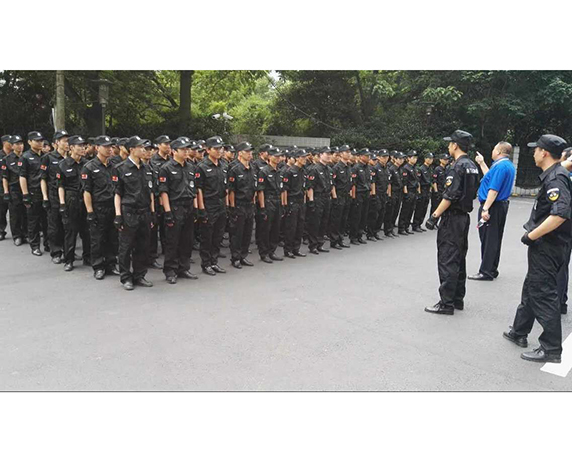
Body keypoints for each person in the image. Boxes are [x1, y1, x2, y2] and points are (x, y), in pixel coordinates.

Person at [504, 134, 571, 363]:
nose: (533, 153)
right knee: (532, 286)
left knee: (543, 293)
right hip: (548, 244)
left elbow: (560, 214)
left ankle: (551, 349)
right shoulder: (556, 174)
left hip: (548, 245)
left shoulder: (556, 178)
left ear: (544, 152)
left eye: (536, 149)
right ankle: (519, 331)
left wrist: (532, 235)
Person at [425, 130, 479, 315]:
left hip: (452, 218)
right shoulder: (472, 166)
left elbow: (450, 195)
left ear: (455, 145)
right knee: (459, 258)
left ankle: (446, 303)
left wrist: (434, 216)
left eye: (450, 143)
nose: (448, 146)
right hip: (463, 217)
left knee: (447, 258)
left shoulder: (456, 166)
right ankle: (457, 299)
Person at [468, 142, 516, 281]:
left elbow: (493, 190)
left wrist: (485, 208)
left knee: (489, 239)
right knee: (494, 238)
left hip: (493, 206)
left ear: (499, 151)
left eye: (494, 148)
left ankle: (486, 271)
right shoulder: (505, 165)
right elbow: (490, 178)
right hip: (499, 205)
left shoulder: (500, 167)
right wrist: (482, 163)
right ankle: (492, 268)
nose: (492, 150)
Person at [113, 136, 156, 290]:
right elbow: (117, 194)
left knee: (143, 246)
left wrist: (153, 213)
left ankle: (139, 275)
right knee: (126, 246)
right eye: (140, 147)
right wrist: (118, 215)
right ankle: (126, 277)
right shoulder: (121, 168)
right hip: (129, 212)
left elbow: (151, 192)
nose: (144, 150)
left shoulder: (147, 169)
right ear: (132, 149)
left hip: (145, 212)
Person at [158, 137, 199, 284]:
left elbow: (194, 189)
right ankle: (170, 270)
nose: (186, 151)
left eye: (187, 149)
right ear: (174, 151)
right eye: (183, 149)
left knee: (187, 240)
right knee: (172, 241)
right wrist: (168, 212)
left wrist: (195, 208)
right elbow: (163, 192)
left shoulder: (191, 167)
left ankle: (183, 268)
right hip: (175, 207)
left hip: (188, 206)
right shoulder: (166, 168)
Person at [82, 135, 120, 280]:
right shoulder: (89, 167)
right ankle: (98, 266)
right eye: (106, 147)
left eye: (111, 146)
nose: (109, 149)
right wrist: (90, 211)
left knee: (112, 237)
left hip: (112, 206)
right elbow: (87, 191)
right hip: (98, 207)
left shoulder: (114, 166)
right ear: (97, 148)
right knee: (97, 239)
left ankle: (111, 264)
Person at [195, 136, 228, 276]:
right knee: (207, 237)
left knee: (218, 236)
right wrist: (201, 209)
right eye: (216, 148)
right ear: (208, 150)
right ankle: (206, 263)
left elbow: (226, 188)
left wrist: (226, 205)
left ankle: (214, 262)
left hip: (221, 204)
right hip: (208, 205)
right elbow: (199, 190)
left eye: (221, 148)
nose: (219, 151)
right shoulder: (202, 167)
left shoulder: (224, 166)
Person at [57, 135, 91, 271]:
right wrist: (62, 204)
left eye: (84, 146)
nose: (83, 148)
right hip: (71, 199)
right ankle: (69, 260)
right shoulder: (63, 165)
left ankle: (88, 257)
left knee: (87, 231)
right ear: (71, 147)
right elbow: (60, 186)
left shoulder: (87, 164)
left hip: (85, 199)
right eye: (79, 146)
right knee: (71, 232)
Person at [41, 130, 69, 264]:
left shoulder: (70, 158)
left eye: (68, 141)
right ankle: (56, 252)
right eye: (64, 141)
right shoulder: (48, 158)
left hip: (68, 196)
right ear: (57, 143)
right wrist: (45, 197)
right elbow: (43, 179)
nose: (67, 144)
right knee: (54, 225)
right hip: (53, 196)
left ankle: (68, 250)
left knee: (67, 226)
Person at [19, 131, 49, 256]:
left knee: (47, 221)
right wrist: (25, 194)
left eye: (41, 140)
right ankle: (35, 246)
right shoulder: (25, 157)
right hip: (33, 192)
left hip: (46, 193)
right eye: (37, 141)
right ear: (29, 142)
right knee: (33, 222)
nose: (40, 143)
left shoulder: (46, 156)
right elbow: (22, 176)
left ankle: (48, 244)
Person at [227, 142, 256, 268]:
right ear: (240, 153)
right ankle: (236, 257)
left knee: (247, 233)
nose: (250, 154)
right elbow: (231, 191)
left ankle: (243, 256)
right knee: (237, 233)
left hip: (249, 205)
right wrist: (232, 207)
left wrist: (253, 203)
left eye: (250, 151)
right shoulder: (234, 169)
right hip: (239, 205)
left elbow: (254, 188)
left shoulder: (252, 168)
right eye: (247, 151)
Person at [256, 146, 284, 263]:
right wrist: (262, 207)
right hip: (268, 201)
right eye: (275, 156)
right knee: (265, 229)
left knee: (275, 228)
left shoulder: (279, 171)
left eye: (279, 156)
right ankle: (264, 253)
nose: (278, 158)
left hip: (277, 201)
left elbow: (282, 190)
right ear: (269, 157)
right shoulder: (264, 171)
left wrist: (282, 204)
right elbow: (260, 191)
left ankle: (272, 251)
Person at [149, 135, 172, 270]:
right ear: (158, 145)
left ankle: (167, 251)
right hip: (157, 199)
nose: (168, 146)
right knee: (154, 229)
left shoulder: (171, 160)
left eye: (169, 144)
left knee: (168, 228)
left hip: (168, 199)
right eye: (165, 144)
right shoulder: (153, 161)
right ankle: (152, 257)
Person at [306, 147, 335, 254]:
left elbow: (331, 185)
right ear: (320, 155)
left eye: (330, 154)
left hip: (327, 197)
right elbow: (310, 187)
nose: (328, 156)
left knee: (324, 221)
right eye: (326, 154)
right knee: (315, 222)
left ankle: (320, 243)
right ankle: (313, 245)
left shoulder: (329, 170)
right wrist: (311, 201)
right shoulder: (315, 169)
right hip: (318, 198)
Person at [1, 136, 27, 245]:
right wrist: (6, 192)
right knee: (15, 214)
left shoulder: (26, 157)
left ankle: (26, 234)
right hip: (14, 189)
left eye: (21, 143)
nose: (20, 146)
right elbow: (5, 177)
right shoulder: (7, 159)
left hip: (25, 189)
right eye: (17, 144)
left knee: (26, 213)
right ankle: (17, 236)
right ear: (12, 146)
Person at [557, 146, 572, 314]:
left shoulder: (566, 176)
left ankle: (557, 302)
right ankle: (561, 301)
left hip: (565, 226)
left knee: (560, 265)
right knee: (563, 265)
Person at [329, 145, 353, 249]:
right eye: (346, 152)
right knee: (336, 219)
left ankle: (340, 239)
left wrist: (350, 195)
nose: (349, 154)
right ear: (341, 154)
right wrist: (334, 197)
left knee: (344, 219)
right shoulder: (336, 168)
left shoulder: (349, 167)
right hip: (339, 196)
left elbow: (350, 183)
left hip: (346, 196)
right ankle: (334, 241)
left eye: (349, 152)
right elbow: (333, 184)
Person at [349, 148, 374, 245]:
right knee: (357, 216)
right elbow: (353, 184)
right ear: (360, 156)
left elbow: (370, 181)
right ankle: (353, 236)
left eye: (369, 156)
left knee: (364, 215)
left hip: (366, 193)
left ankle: (359, 235)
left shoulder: (368, 168)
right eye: (366, 156)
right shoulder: (356, 168)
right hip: (359, 194)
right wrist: (354, 197)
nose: (368, 157)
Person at [398, 150, 419, 235]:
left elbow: (416, 180)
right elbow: (405, 182)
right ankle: (401, 227)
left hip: (414, 190)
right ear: (408, 158)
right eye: (413, 157)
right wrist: (406, 193)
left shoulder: (414, 168)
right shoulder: (405, 168)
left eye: (416, 158)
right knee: (405, 210)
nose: (415, 159)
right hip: (409, 190)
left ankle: (406, 226)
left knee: (411, 210)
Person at [412, 152, 434, 232]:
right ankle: (415, 225)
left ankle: (420, 224)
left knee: (424, 208)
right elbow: (418, 181)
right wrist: (419, 192)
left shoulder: (430, 169)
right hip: (422, 189)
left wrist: (430, 190)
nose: (430, 160)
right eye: (429, 158)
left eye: (432, 159)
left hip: (427, 190)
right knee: (419, 208)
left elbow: (431, 180)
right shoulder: (421, 169)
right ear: (425, 159)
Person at [0, 135, 11, 240]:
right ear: (4, 143)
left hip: (13, 185)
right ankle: (1, 230)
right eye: (9, 142)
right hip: (1, 187)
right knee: (1, 210)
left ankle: (20, 232)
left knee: (16, 211)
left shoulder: (14, 155)